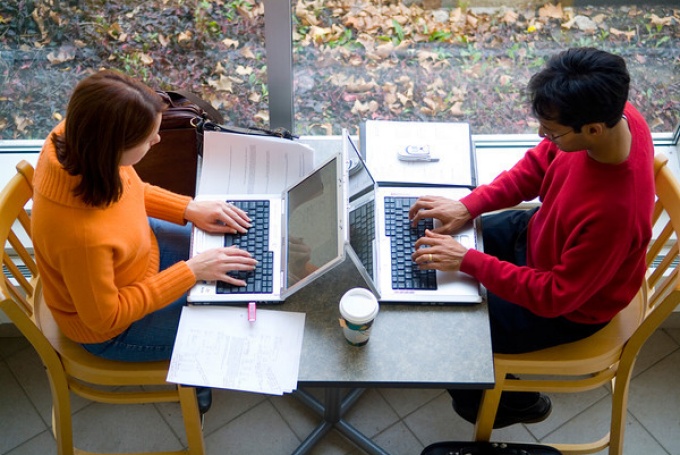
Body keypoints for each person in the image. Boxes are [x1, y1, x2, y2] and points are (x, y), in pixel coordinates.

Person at [408, 47, 655, 428]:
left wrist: (468, 261)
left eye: (552, 131)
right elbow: (541, 163)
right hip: (539, 238)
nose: (543, 135)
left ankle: (514, 404)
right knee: (427, 243)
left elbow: (555, 295)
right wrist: (469, 206)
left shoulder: (616, 214)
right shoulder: (616, 116)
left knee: (451, 336)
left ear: (591, 130)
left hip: (566, 307)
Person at [31, 70, 258, 414]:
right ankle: (194, 370)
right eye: (148, 137)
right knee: (224, 327)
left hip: (136, 253)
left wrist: (188, 208)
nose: (157, 141)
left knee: (234, 255)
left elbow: (128, 190)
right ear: (111, 148)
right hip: (114, 328)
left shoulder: (70, 139)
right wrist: (190, 272)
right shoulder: (82, 238)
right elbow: (106, 319)